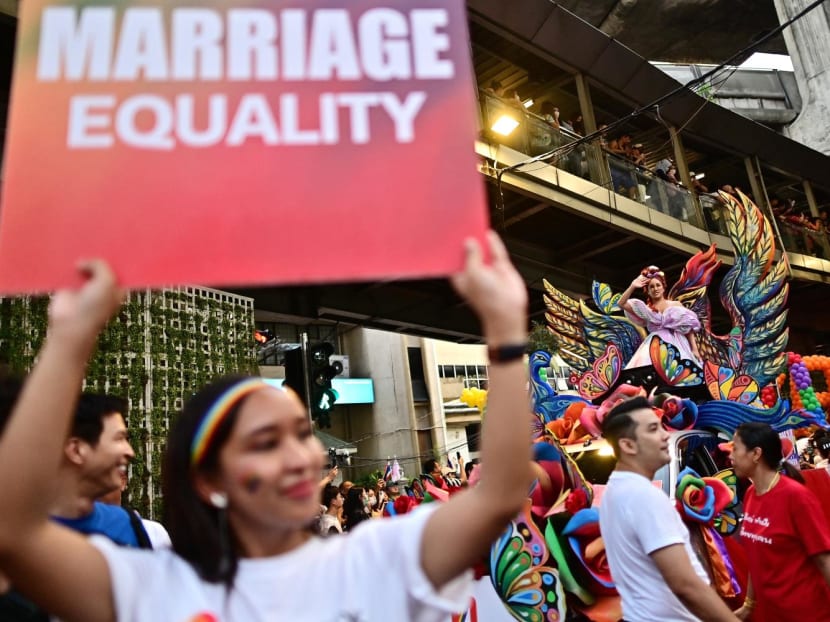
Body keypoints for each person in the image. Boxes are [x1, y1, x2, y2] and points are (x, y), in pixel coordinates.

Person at [0, 232, 533, 622]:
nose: (302, 457)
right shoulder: (149, 587)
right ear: (208, 481)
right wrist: (71, 337)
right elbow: (15, 531)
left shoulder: (378, 560)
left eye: (303, 433)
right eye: (265, 443)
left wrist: (506, 331)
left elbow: (502, 493)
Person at [598, 397, 739, 621]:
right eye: (653, 429)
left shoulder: (613, 492)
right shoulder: (644, 496)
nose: (665, 435)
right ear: (627, 444)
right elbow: (685, 584)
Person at [730, 422, 830, 621]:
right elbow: (755, 557)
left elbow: (824, 560)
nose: (730, 455)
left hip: (807, 614)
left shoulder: (796, 497)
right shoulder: (751, 494)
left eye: (735, 448)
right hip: (771, 614)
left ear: (756, 454)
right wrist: (749, 606)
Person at [618, 265, 702, 370]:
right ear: (647, 291)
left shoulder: (675, 305)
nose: (655, 289)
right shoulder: (645, 310)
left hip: (677, 342)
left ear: (663, 287)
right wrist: (633, 285)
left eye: (658, 285)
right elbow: (621, 303)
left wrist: (694, 349)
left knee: (681, 370)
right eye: (651, 287)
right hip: (654, 344)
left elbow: (688, 327)